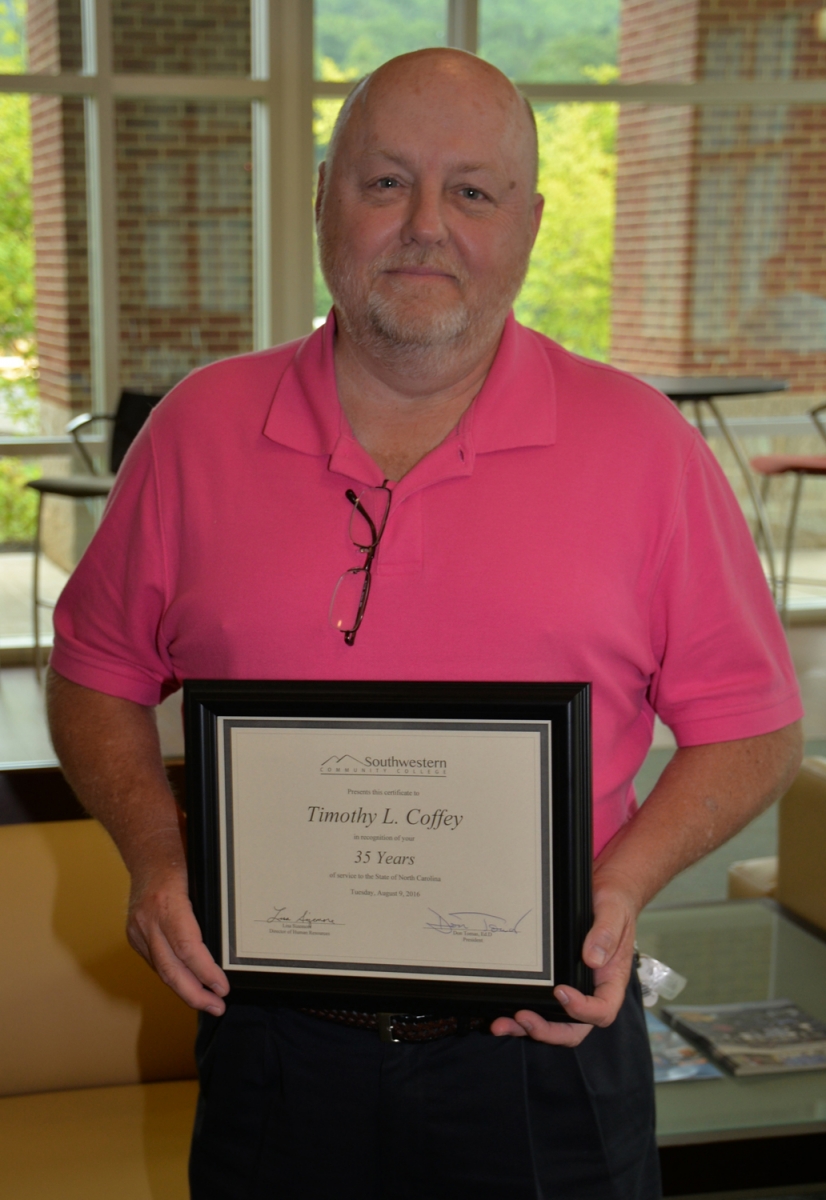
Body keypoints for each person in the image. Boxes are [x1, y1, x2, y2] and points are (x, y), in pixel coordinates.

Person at [47, 48, 802, 1200]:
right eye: (384, 182)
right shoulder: (200, 431)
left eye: (472, 191)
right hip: (273, 1049)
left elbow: (752, 729)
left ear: (531, 222)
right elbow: (94, 671)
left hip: (542, 1049)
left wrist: (622, 884)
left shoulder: (645, 450)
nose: (425, 226)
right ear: (322, 196)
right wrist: (155, 856)